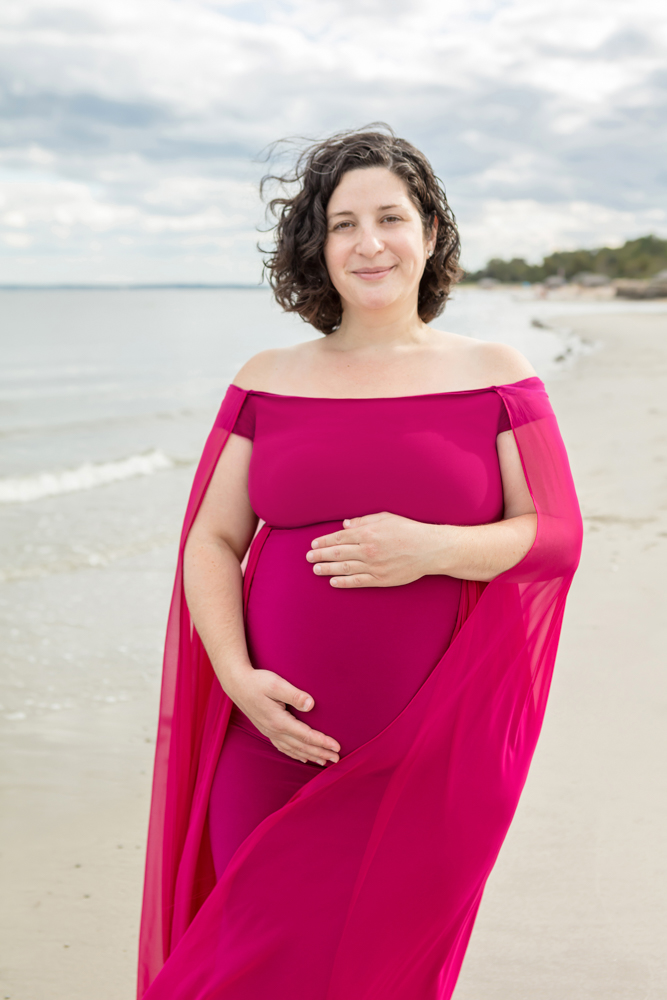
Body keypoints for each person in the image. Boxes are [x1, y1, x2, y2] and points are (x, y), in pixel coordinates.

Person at [138, 126, 582, 999]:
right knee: (248, 967)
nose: (369, 242)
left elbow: (555, 533)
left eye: (390, 217)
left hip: (431, 753)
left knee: (380, 975)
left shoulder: (492, 373)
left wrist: (431, 548)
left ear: (428, 233)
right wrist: (234, 678)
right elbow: (212, 541)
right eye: (343, 224)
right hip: (271, 743)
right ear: (317, 245)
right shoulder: (268, 378)